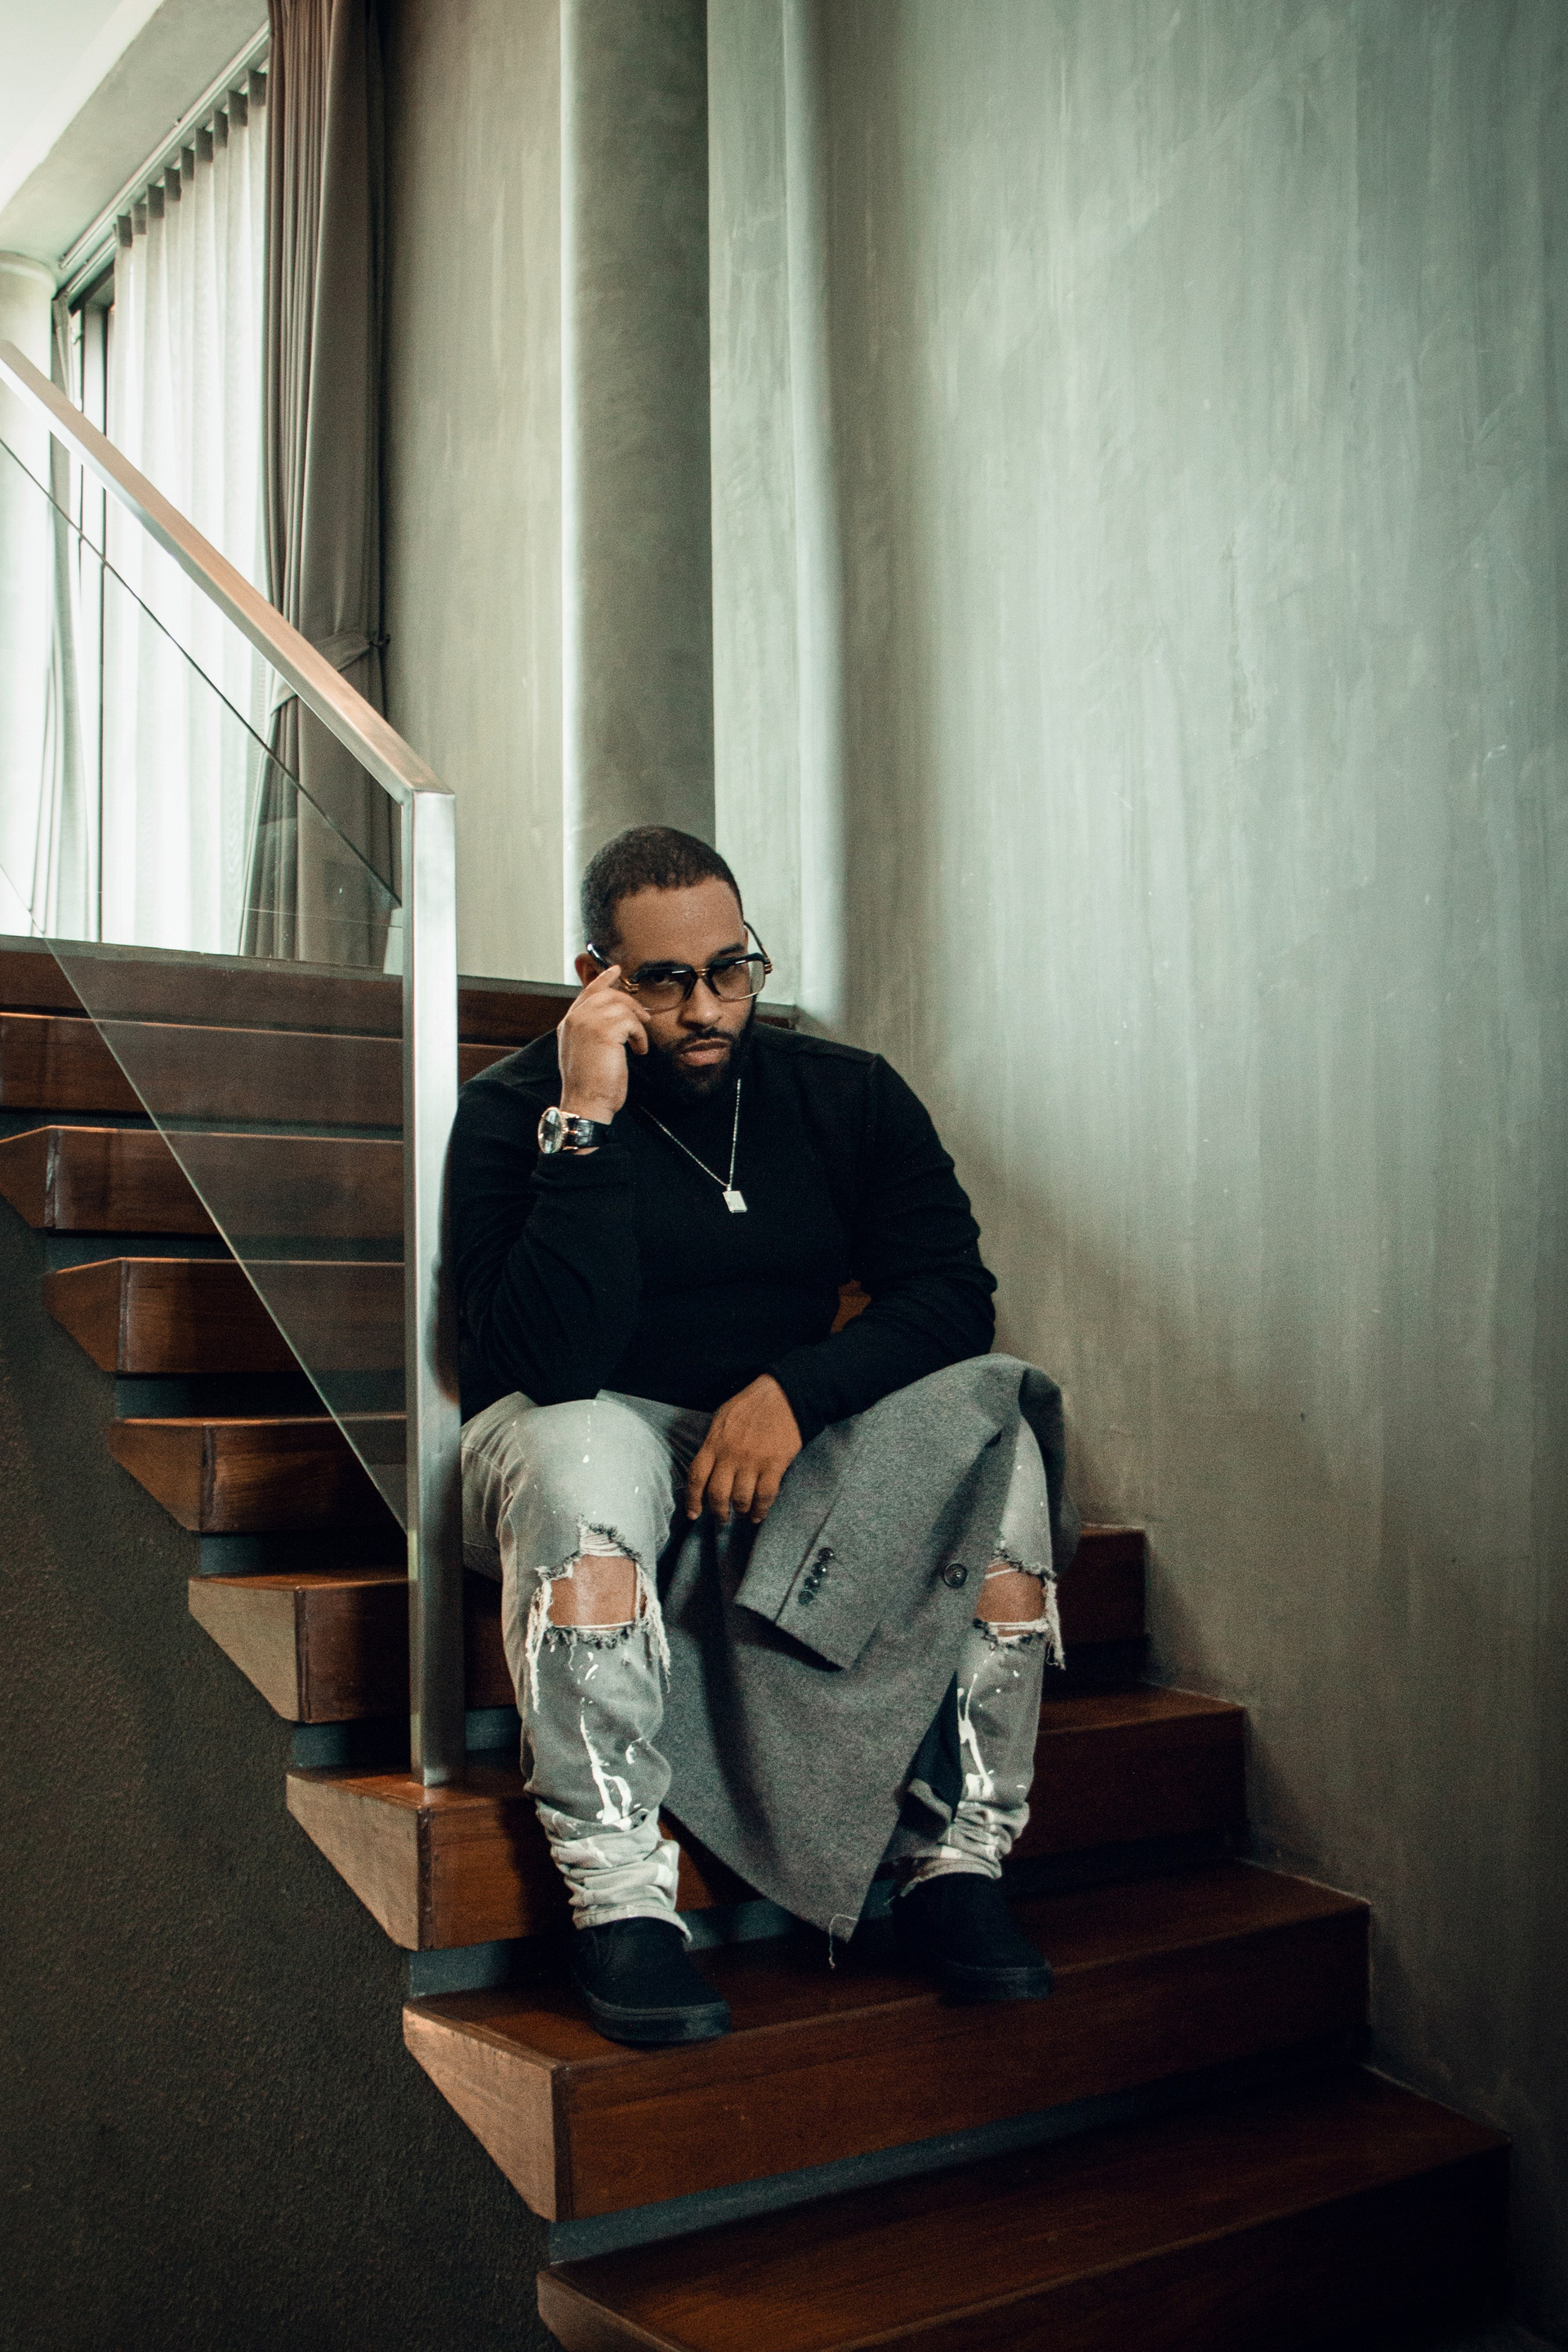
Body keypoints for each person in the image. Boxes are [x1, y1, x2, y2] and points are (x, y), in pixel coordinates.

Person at [451, 826, 1076, 2046]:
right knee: (580, 1457)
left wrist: (796, 1392)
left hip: (783, 1436)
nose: (707, 1010)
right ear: (595, 977)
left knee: (995, 1429)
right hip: (597, 1426)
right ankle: (619, 1900)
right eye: (665, 980)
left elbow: (951, 1295)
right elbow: (545, 1366)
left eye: (730, 970)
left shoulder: (844, 1093)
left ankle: (957, 1863)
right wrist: (587, 1117)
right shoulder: (518, 1111)